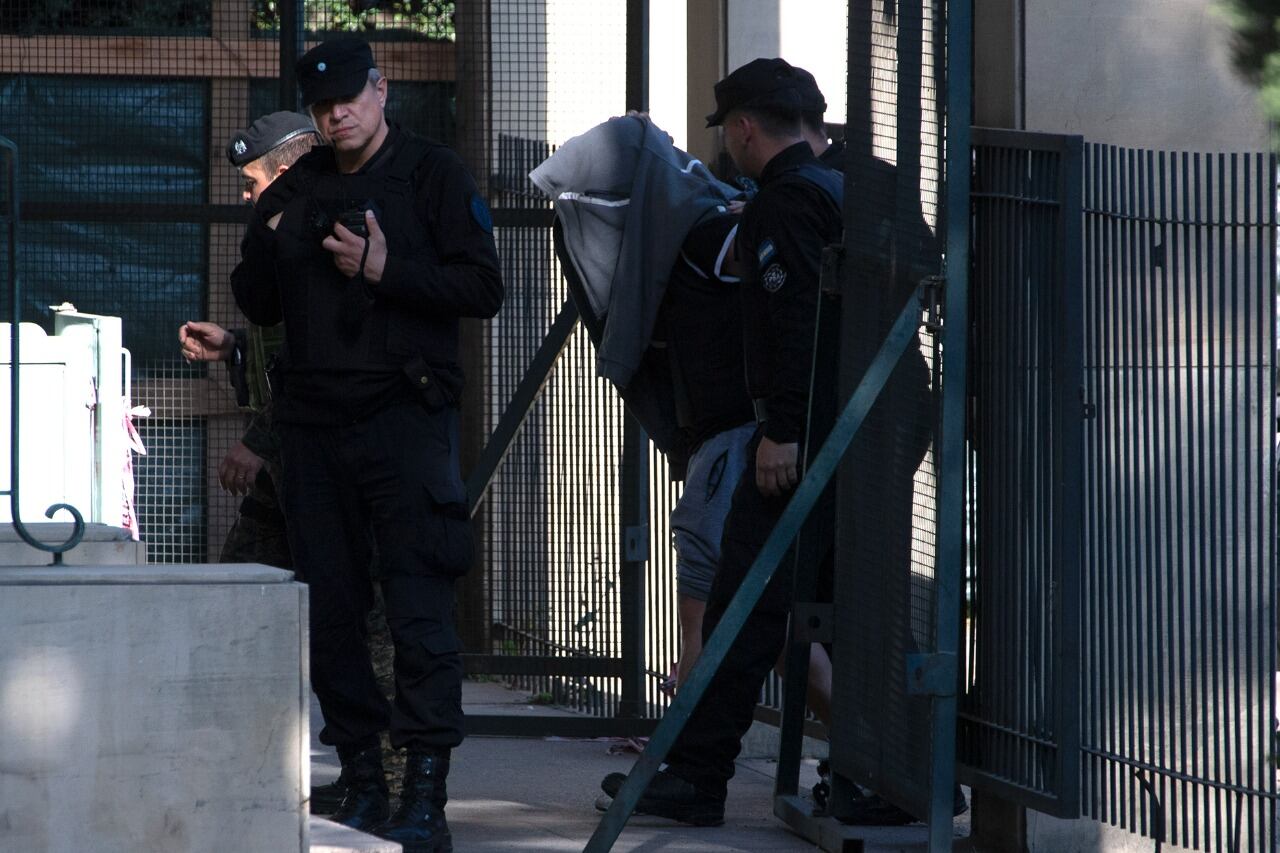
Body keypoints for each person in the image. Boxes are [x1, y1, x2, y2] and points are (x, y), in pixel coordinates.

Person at [231, 35, 503, 853]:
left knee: (419, 605)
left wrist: (387, 269)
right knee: (335, 612)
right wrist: (268, 224)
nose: (337, 113)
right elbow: (259, 300)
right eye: (322, 106)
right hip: (315, 429)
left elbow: (481, 287)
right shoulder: (301, 184)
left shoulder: (433, 175)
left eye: (350, 96)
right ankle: (362, 778)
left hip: (404, 421)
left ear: (382, 91)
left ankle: (425, 793)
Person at [179, 111, 319, 572]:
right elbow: (285, 343)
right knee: (240, 583)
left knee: (350, 607)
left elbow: (322, 361)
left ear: (283, 175)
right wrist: (235, 347)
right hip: (286, 462)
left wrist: (258, 441)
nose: (245, 194)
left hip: (323, 461)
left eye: (251, 181)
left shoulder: (324, 238)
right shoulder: (273, 239)